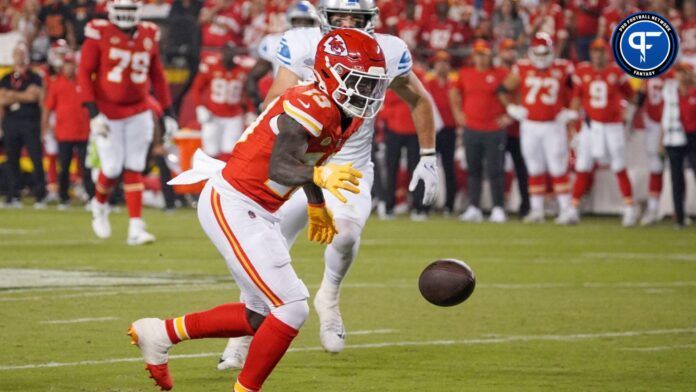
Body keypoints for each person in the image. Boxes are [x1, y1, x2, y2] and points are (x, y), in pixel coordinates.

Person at [128, 28, 389, 392]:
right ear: (331, 72)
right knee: (293, 306)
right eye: (359, 81)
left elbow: (307, 158)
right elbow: (280, 167)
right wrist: (320, 175)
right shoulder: (310, 104)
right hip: (235, 201)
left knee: (258, 315)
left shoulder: (346, 113)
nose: (367, 93)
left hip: (260, 208)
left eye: (373, 84)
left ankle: (160, 333)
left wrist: (316, 205)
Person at [219, 0, 439, 369]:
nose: (349, 24)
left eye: (358, 18)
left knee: (347, 234)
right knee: (265, 252)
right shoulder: (302, 44)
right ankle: (240, 338)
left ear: (372, 21)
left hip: (348, 163)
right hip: (303, 160)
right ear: (325, 18)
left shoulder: (387, 50)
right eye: (341, 17)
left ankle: (330, 298)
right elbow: (275, 101)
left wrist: (429, 157)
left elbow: (418, 97)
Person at [78, 0, 178, 245]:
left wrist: (168, 112)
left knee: (134, 166)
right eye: (121, 10)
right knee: (111, 168)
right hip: (107, 112)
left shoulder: (148, 33)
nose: (125, 15)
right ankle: (99, 205)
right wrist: (93, 113)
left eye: (129, 10)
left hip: (138, 109)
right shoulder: (99, 31)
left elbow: (158, 76)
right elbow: (84, 72)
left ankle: (136, 227)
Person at [499, 32, 576, 224]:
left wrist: (572, 112)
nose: (541, 58)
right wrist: (511, 108)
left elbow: (579, 91)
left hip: (554, 125)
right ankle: (537, 210)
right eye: (538, 54)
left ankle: (567, 210)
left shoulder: (563, 67)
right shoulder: (522, 68)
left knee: (558, 167)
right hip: (530, 125)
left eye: (544, 54)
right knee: (534, 168)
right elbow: (502, 90)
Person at [564, 38, 638, 226]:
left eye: (601, 51)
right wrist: (573, 125)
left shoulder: (616, 71)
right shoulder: (582, 71)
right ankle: (573, 209)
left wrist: (627, 115)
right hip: (591, 126)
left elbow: (632, 96)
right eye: (594, 51)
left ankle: (630, 208)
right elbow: (576, 99)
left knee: (619, 166)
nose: (597, 55)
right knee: (582, 165)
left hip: (613, 125)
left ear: (607, 53)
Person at [450, 39, 510, 223]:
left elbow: (516, 93)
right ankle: (474, 207)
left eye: (484, 54)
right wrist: (458, 113)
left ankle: (498, 207)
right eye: (478, 54)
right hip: (472, 128)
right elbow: (454, 93)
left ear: (489, 55)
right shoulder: (465, 73)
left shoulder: (501, 73)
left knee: (495, 170)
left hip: (493, 129)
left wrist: (509, 115)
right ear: (473, 56)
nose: (481, 58)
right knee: (473, 169)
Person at [43, 47, 94, 209]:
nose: (69, 68)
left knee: (87, 168)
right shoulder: (56, 84)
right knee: (64, 167)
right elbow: (48, 107)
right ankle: (63, 198)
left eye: (71, 64)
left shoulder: (84, 83)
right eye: (66, 65)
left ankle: (91, 197)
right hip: (64, 132)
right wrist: (44, 126)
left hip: (84, 132)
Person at [245, 1, 318, 110]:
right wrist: (259, 104)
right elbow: (253, 77)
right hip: (283, 102)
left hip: (315, 101)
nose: (303, 26)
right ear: (289, 21)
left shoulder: (321, 43)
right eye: (298, 21)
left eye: (307, 22)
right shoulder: (273, 42)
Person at [0, 42, 45, 208]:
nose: (19, 55)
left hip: (30, 122)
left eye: (22, 52)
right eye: (16, 52)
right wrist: (22, 95)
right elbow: (1, 99)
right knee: (12, 159)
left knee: (36, 158)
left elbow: (34, 97)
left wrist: (11, 95)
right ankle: (13, 195)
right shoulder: (6, 77)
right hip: (11, 122)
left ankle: (41, 195)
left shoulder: (34, 77)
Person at [191, 43, 249, 162]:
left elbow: (247, 92)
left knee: (231, 151)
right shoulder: (211, 66)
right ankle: (208, 179)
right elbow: (196, 88)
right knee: (210, 151)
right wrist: (199, 107)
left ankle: (225, 179)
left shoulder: (243, 68)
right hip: (213, 114)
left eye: (232, 52)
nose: (229, 55)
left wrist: (249, 110)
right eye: (227, 52)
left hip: (234, 115)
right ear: (222, 53)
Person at [496, 38, 530, 217]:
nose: (511, 53)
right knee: (498, 170)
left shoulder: (523, 70)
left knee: (523, 169)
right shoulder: (496, 72)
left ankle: (527, 206)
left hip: (519, 127)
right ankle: (499, 206)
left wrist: (512, 114)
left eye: (513, 50)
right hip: (499, 127)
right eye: (507, 50)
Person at [662, 63, 696, 229]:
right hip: (675, 137)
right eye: (678, 73)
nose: (681, 76)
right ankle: (680, 217)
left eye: (684, 72)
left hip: (693, 136)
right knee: (676, 178)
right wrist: (662, 139)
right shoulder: (671, 93)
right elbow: (666, 116)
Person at [425, 50, 457, 216]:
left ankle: (449, 205)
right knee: (429, 166)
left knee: (449, 167)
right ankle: (426, 205)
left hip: (450, 129)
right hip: (432, 130)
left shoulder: (454, 82)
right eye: (439, 62)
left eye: (444, 62)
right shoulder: (428, 82)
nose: (441, 65)